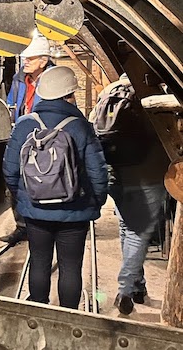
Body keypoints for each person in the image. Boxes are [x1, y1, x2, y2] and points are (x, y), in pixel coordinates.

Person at [3, 66, 108, 309]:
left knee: (38, 260)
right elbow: (98, 172)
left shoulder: (24, 124)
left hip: (35, 208)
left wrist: (24, 197)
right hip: (76, 209)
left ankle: (37, 310)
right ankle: (69, 316)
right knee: (70, 265)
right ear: (70, 94)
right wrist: (96, 201)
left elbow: (9, 170)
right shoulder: (80, 126)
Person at [90, 74, 168, 315]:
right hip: (146, 172)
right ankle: (126, 290)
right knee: (138, 233)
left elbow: (94, 127)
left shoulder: (108, 91)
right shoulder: (154, 93)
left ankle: (137, 286)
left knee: (127, 227)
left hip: (115, 171)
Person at [0, 34, 54, 246]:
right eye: (25, 58)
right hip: (21, 135)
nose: (26, 62)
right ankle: (22, 226)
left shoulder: (54, 78)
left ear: (44, 60)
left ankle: (42, 226)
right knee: (15, 179)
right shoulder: (19, 79)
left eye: (30, 58)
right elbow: (11, 103)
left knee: (41, 181)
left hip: (44, 139)